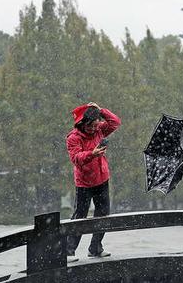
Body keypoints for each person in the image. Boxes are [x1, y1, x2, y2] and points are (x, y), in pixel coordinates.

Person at [65, 102, 121, 262]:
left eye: (96, 124)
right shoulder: (73, 138)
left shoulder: (99, 130)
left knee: (103, 215)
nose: (93, 129)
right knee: (80, 216)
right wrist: (92, 153)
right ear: (82, 124)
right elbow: (76, 158)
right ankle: (69, 251)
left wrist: (100, 110)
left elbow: (115, 122)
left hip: (102, 179)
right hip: (84, 183)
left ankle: (95, 248)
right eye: (90, 126)